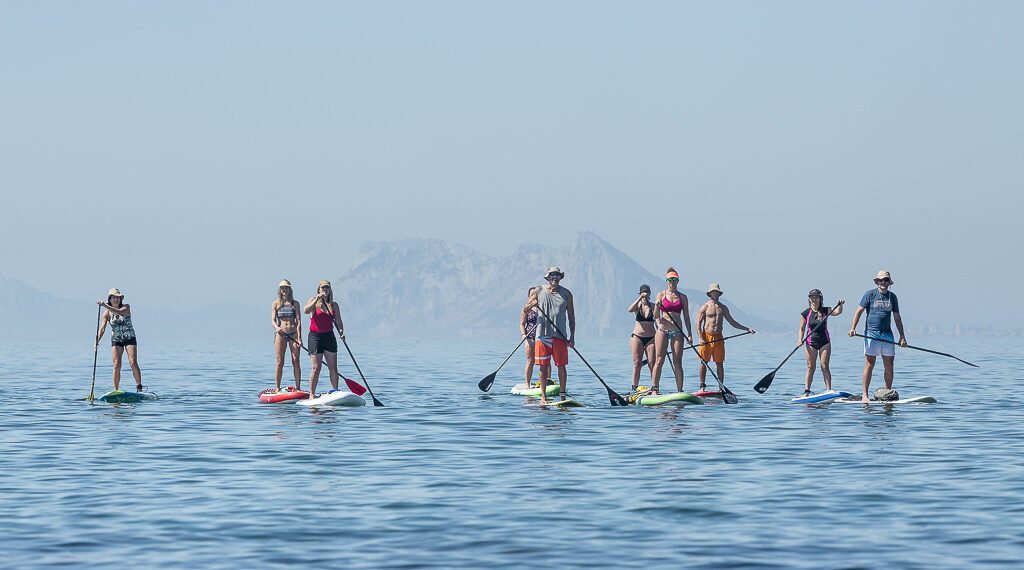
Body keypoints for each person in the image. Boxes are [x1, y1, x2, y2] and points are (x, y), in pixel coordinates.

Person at [847, 270, 907, 403]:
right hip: (871, 334)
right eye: (881, 280)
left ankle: (887, 393)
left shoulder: (893, 297)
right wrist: (852, 328)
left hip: (887, 335)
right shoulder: (869, 294)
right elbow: (859, 312)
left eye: (886, 280)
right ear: (877, 282)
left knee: (889, 364)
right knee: (870, 364)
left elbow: (897, 318)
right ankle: (865, 395)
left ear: (889, 282)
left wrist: (902, 337)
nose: (883, 283)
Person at [696, 283, 755, 389]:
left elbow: (732, 322)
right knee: (704, 362)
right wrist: (700, 337)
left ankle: (721, 387)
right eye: (713, 291)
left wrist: (747, 329)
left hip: (719, 338)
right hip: (706, 337)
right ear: (710, 294)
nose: (715, 293)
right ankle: (702, 386)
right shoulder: (705, 307)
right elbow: (698, 324)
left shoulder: (723, 308)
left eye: (717, 292)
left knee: (720, 364)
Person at [534, 267, 575, 404]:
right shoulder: (539, 291)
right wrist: (532, 304)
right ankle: (543, 397)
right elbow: (526, 308)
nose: (555, 277)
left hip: (560, 336)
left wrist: (572, 337)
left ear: (560, 277)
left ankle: (562, 396)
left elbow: (571, 317)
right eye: (552, 275)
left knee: (561, 365)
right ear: (548, 277)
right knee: (543, 367)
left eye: (557, 275)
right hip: (543, 335)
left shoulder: (567, 293)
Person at [650, 269, 693, 395]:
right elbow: (655, 315)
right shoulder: (661, 295)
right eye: (670, 280)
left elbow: (686, 317)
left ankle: (680, 390)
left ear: (678, 281)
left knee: (678, 362)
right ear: (666, 281)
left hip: (677, 331)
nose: (672, 282)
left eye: (674, 279)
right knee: (659, 360)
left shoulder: (683, 297)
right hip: (663, 329)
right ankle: (655, 389)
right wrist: (657, 306)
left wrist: (689, 334)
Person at [94, 288, 143, 393]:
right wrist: (97, 341)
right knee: (116, 364)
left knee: (133, 362)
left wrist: (104, 305)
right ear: (110, 299)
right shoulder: (106, 313)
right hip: (116, 339)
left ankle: (139, 387)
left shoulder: (126, 307)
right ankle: (116, 390)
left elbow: (118, 312)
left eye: (118, 298)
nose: (116, 300)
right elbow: (102, 328)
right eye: (114, 298)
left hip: (129, 337)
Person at [303, 280, 346, 397]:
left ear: (330, 290)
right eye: (323, 288)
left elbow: (339, 321)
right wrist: (317, 299)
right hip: (315, 337)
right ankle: (312, 394)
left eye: (327, 288)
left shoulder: (334, 305)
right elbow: (306, 310)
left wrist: (341, 332)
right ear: (319, 289)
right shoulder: (313, 300)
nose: (325, 290)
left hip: (329, 337)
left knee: (333, 368)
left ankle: (334, 392)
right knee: (316, 367)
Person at [799, 289, 844, 396]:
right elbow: (801, 329)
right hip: (810, 342)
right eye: (812, 297)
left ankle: (828, 390)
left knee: (824, 366)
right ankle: (807, 391)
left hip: (824, 342)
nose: (814, 299)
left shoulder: (826, 310)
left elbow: (838, 312)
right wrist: (799, 340)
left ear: (820, 298)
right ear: (809, 299)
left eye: (816, 297)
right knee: (811, 367)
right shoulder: (806, 313)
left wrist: (840, 305)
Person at [271, 279, 303, 392]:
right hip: (281, 334)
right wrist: (277, 328)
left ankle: (298, 387)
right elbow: (273, 320)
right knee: (280, 361)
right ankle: (277, 388)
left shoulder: (295, 303)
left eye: (286, 287)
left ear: (290, 289)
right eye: (282, 287)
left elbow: (298, 321)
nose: (284, 289)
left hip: (293, 334)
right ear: (280, 289)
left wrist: (299, 338)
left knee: (296, 360)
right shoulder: (276, 304)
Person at [627, 284, 657, 393]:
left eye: (646, 293)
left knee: (652, 363)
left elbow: (658, 319)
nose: (645, 295)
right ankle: (634, 388)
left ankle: (655, 387)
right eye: (643, 293)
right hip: (637, 337)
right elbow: (629, 309)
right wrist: (640, 298)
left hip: (651, 338)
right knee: (637, 363)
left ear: (649, 294)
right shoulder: (637, 306)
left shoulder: (653, 306)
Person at [520, 286, 540, 387]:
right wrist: (523, 334)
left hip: (542, 337)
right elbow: (522, 324)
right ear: (529, 296)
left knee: (545, 362)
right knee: (530, 362)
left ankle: (547, 382)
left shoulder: (543, 307)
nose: (534, 296)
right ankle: (527, 384)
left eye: (536, 294)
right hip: (530, 337)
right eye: (532, 295)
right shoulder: (526, 308)